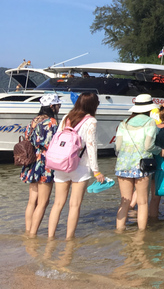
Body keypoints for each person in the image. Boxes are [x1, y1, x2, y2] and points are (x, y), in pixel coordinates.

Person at [48, 92, 105, 239]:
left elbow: (56, 139)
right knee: (74, 205)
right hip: (79, 166)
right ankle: (69, 239)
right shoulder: (91, 121)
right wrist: (96, 171)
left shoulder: (67, 118)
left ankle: (50, 237)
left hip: (61, 163)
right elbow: (91, 147)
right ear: (93, 105)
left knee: (57, 204)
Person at [114, 94, 160, 231]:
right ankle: (141, 235)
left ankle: (119, 230)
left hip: (123, 165)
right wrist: (160, 150)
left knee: (125, 201)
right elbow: (148, 146)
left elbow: (117, 146)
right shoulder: (150, 122)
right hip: (142, 165)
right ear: (149, 108)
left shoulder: (124, 123)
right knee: (143, 202)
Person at [20, 93, 61, 236]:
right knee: (43, 202)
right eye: (58, 105)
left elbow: (28, 139)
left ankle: (27, 231)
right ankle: (33, 235)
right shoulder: (51, 122)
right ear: (51, 106)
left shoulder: (34, 121)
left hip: (31, 162)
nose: (59, 107)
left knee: (32, 201)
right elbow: (51, 144)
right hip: (44, 163)